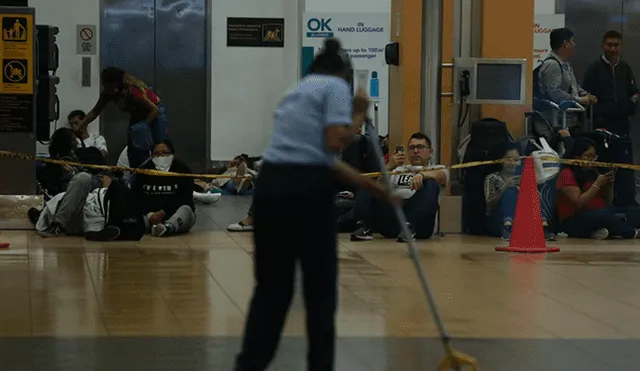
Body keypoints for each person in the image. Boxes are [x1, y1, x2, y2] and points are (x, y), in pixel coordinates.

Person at [233, 38, 393, 371]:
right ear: (344, 74)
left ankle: (249, 365)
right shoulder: (335, 86)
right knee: (320, 292)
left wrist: (368, 185)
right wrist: (359, 112)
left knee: (272, 290)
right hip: (305, 192)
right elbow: (334, 140)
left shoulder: (298, 91)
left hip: (272, 187)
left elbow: (320, 156)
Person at [350, 132, 448, 242]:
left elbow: (441, 176)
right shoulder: (398, 170)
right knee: (368, 183)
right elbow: (379, 187)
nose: (415, 151)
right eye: (412, 148)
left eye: (420, 147)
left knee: (431, 182)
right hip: (394, 217)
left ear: (430, 152)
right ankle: (363, 227)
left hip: (419, 224)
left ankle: (410, 227)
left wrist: (422, 175)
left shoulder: (437, 168)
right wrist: (388, 167)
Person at [79, 67, 168, 169]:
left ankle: (162, 171)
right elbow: (95, 112)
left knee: (159, 144)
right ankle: (139, 172)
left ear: (116, 83)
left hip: (154, 112)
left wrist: (144, 125)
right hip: (138, 114)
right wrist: (83, 124)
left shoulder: (132, 90)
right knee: (135, 147)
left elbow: (154, 109)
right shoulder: (108, 93)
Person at [556, 138, 640, 239]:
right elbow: (579, 203)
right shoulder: (566, 174)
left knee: (631, 211)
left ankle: (604, 231)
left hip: (600, 213)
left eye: (594, 156)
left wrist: (609, 185)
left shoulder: (592, 172)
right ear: (576, 157)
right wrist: (597, 184)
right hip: (574, 220)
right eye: (588, 156)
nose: (592, 160)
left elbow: (608, 203)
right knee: (606, 217)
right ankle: (633, 232)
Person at [483, 143, 555, 241]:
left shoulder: (523, 177)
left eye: (516, 160)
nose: (512, 163)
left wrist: (528, 185)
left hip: (521, 219)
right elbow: (490, 206)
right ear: (501, 160)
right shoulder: (492, 178)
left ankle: (543, 225)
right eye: (508, 159)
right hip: (498, 220)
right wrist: (505, 186)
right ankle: (507, 226)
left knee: (528, 194)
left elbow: (539, 200)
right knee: (510, 191)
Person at [132, 139, 196, 237]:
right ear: (152, 155)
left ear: (172, 154)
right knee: (134, 213)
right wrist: (150, 215)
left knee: (186, 210)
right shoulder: (143, 171)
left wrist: (164, 212)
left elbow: (185, 199)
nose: (161, 156)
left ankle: (168, 227)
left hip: (175, 215)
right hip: (150, 215)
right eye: (157, 154)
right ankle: (142, 227)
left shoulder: (183, 170)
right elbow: (136, 198)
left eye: (165, 153)